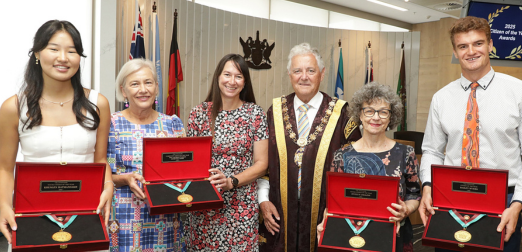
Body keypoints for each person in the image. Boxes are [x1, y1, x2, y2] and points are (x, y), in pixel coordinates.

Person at [418, 16, 522, 252]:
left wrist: (517, 205)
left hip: (503, 203)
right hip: (449, 200)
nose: (471, 51)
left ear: (490, 45)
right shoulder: (441, 98)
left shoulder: (521, 93)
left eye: (478, 43)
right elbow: (432, 150)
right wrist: (427, 187)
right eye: (463, 46)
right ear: (455, 51)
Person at [0, 20, 113, 245]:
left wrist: (108, 188)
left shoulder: (98, 104)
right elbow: (4, 169)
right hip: (31, 216)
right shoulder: (14, 107)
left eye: (72, 51)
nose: (63, 58)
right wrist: (4, 206)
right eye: (54, 49)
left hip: (86, 213)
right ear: (37, 53)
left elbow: (100, 160)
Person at [258, 42, 362, 252]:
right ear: (290, 75)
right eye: (297, 71)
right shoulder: (274, 112)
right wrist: (262, 201)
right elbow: (263, 164)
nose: (303, 76)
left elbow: (354, 170)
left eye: (310, 70)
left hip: (325, 216)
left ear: (322, 74)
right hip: (279, 215)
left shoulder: (343, 114)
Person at [316, 82, 421, 252]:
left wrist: (406, 210)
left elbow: (414, 194)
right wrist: (325, 222)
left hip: (394, 236)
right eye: (369, 111)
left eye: (383, 112)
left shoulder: (405, 153)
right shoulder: (341, 155)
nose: (376, 117)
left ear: (391, 117)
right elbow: (334, 201)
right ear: (360, 114)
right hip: (351, 236)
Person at [185, 53, 268, 251]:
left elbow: (262, 163)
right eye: (227, 75)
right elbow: (190, 161)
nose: (232, 81)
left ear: (245, 82)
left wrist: (232, 181)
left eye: (238, 76)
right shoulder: (199, 113)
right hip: (203, 206)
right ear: (218, 77)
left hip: (241, 207)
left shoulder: (255, 114)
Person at [107, 59, 186, 251]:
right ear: (124, 91)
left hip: (166, 219)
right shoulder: (112, 125)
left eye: (148, 82)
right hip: (124, 218)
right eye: (135, 84)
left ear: (157, 88)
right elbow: (102, 175)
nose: (143, 89)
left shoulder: (172, 125)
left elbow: (184, 170)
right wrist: (126, 179)